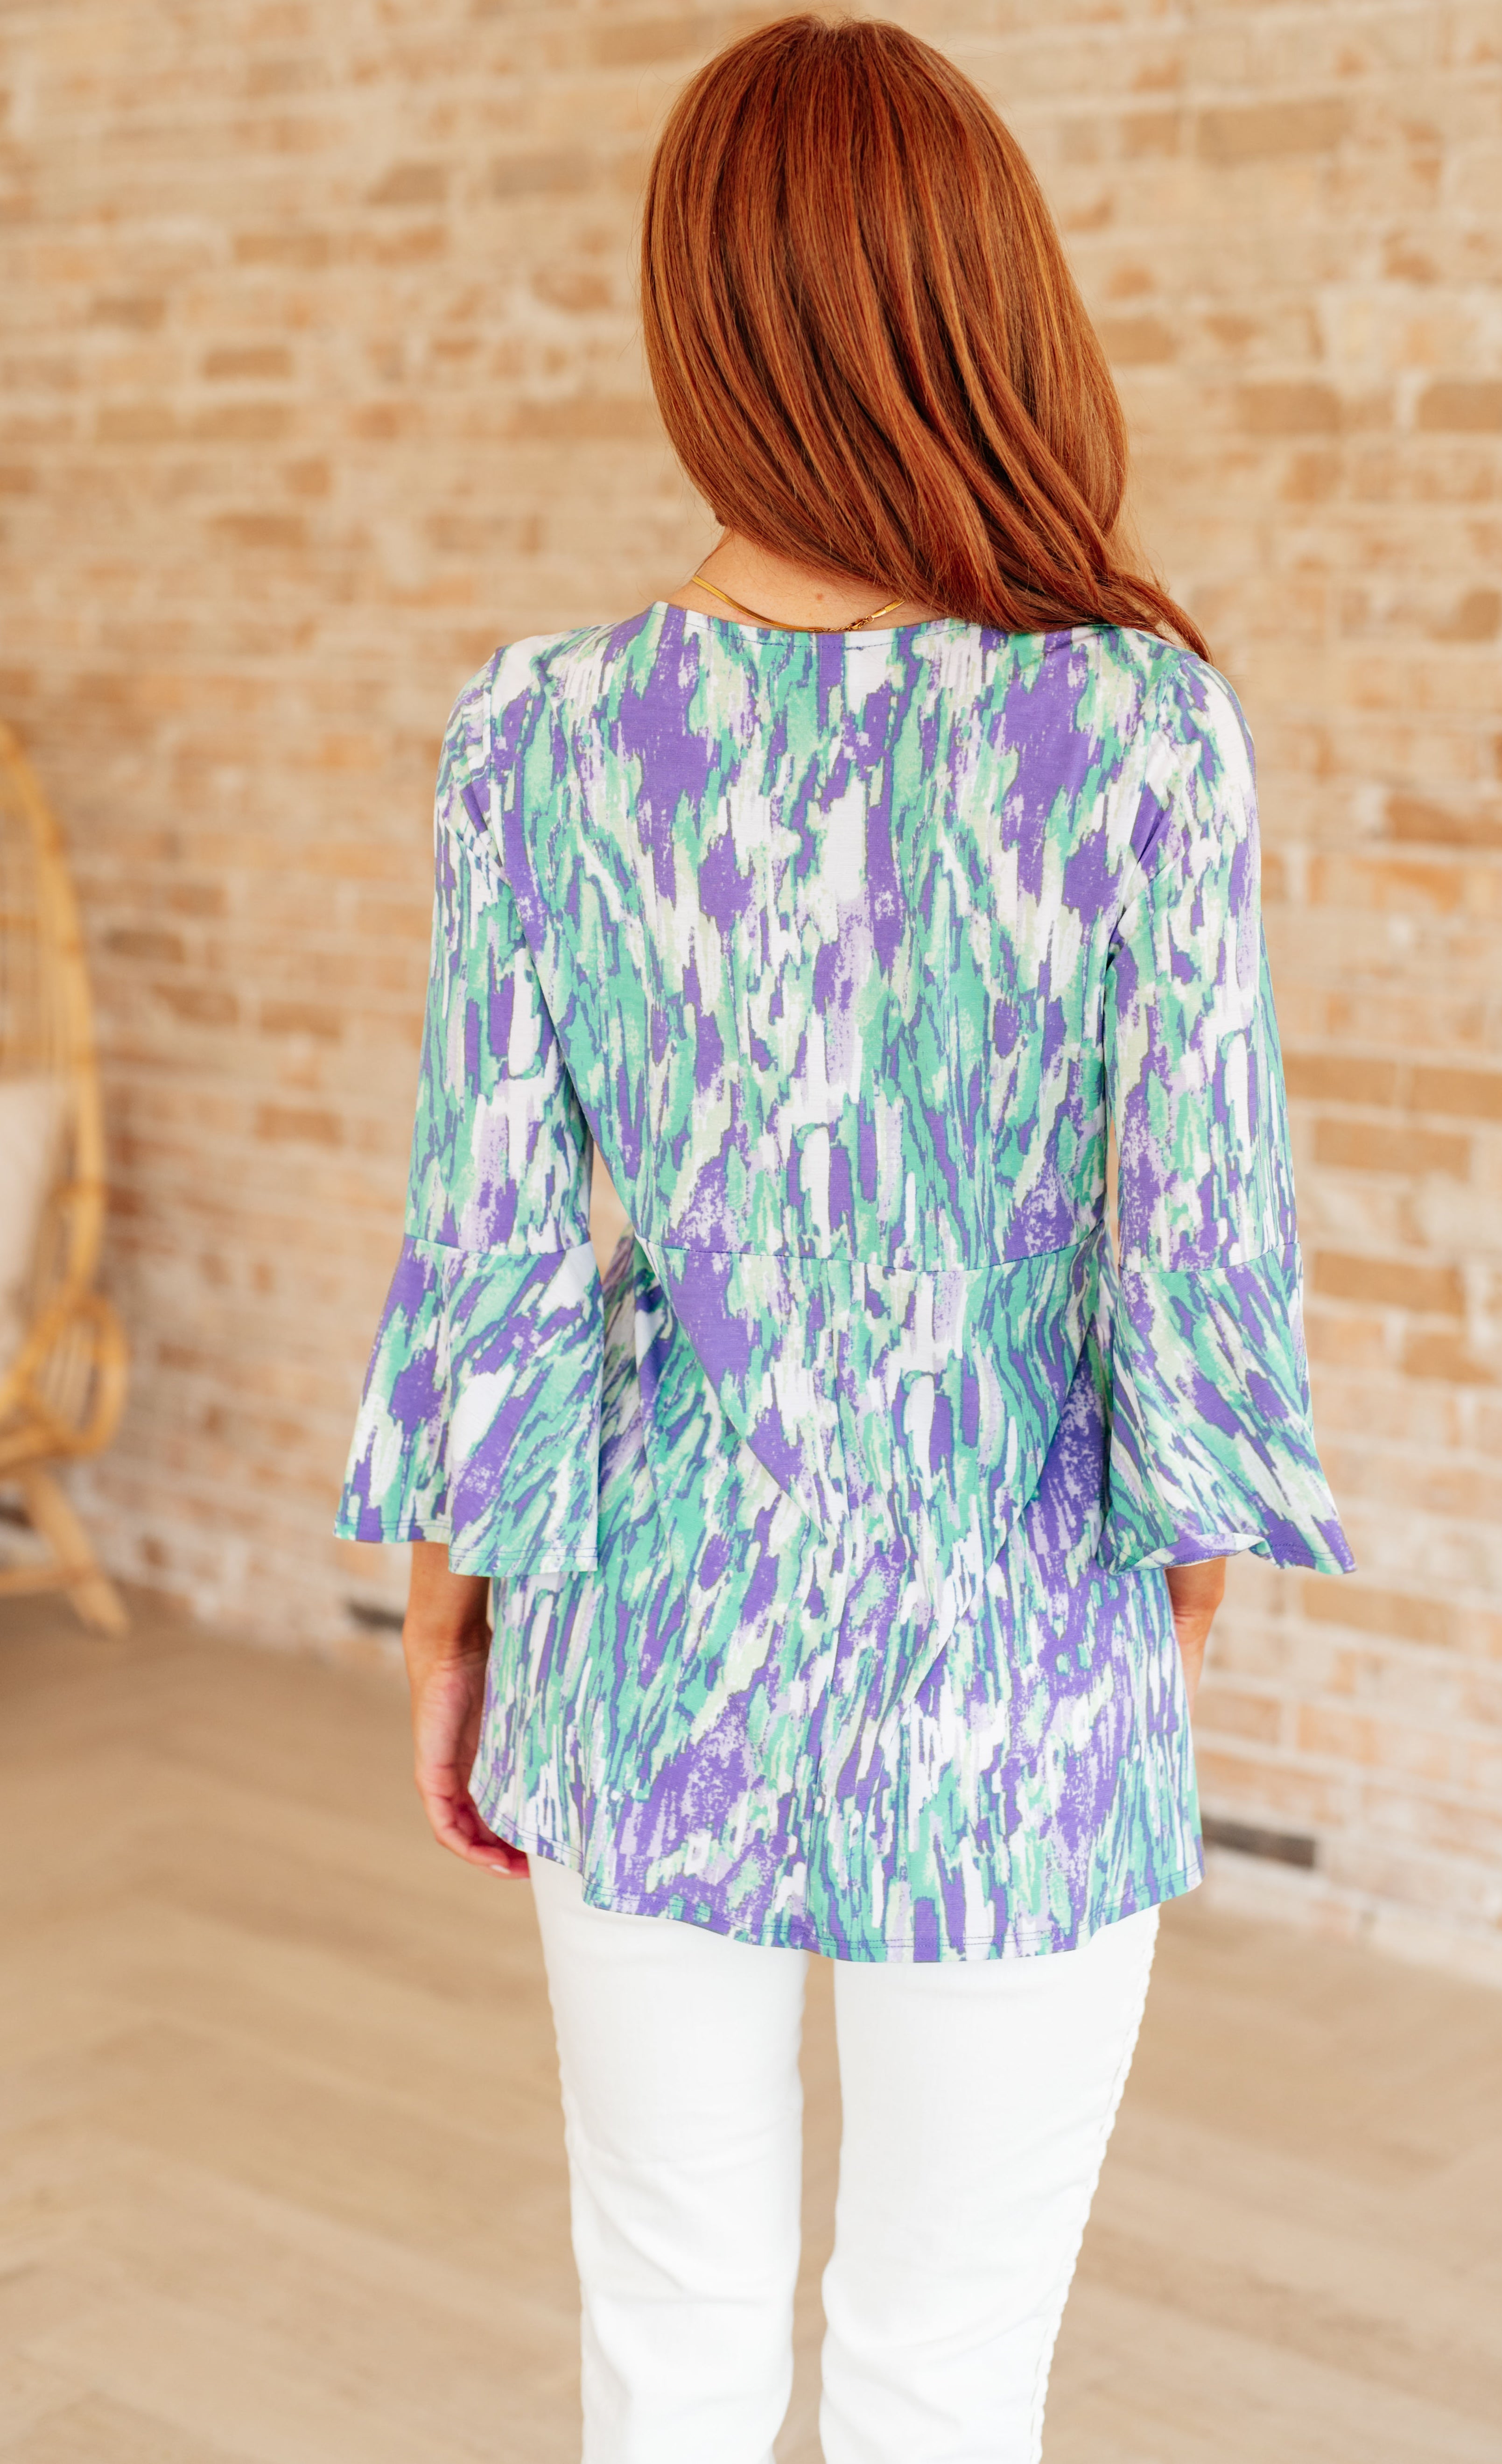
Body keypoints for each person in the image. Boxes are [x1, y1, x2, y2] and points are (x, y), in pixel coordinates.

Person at [337, 17, 1353, 2461]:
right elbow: (1202, 1247)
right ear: (983, 305)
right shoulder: (1137, 726)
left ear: (697, 326)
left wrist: (460, 1613)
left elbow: (487, 1242)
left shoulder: (538, 730)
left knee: (666, 2334)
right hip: (1020, 1634)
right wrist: (1171, 1572)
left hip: (642, 1627)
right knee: (945, 2367)